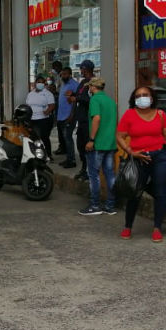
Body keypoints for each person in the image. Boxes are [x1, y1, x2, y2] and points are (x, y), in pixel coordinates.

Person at [116, 86, 166, 242]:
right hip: (139, 157)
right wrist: (131, 152)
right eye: (138, 95)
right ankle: (128, 226)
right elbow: (120, 136)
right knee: (135, 192)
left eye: (145, 95)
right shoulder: (129, 115)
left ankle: (157, 228)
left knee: (160, 192)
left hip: (161, 156)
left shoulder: (161, 115)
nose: (142, 97)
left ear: (152, 97)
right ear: (134, 99)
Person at [78, 78, 117, 216]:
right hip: (111, 143)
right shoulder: (111, 101)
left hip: (98, 143)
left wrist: (91, 139)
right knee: (110, 174)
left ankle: (95, 205)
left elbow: (97, 119)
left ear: (93, 87)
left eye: (89, 87)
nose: (89, 89)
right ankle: (110, 206)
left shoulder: (95, 100)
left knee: (94, 175)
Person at [68, 59, 95, 181]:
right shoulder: (83, 82)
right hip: (81, 119)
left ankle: (90, 171)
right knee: (81, 146)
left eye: (82, 69)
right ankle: (84, 169)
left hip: (88, 120)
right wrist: (72, 94)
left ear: (87, 69)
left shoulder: (93, 82)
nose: (81, 71)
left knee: (88, 147)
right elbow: (78, 94)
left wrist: (76, 99)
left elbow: (90, 99)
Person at [26, 76, 55, 160]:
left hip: (43, 119)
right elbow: (28, 105)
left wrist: (47, 111)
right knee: (33, 138)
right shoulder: (30, 94)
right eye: (38, 82)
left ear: (44, 84)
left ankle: (48, 155)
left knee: (44, 137)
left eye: (42, 82)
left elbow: (52, 105)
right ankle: (36, 154)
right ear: (35, 83)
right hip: (32, 119)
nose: (40, 84)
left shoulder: (48, 93)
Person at [57, 67, 79, 168]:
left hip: (69, 116)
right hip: (61, 116)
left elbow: (75, 101)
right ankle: (68, 158)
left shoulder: (74, 85)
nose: (63, 76)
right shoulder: (63, 84)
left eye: (65, 74)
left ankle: (72, 161)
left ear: (70, 74)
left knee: (68, 138)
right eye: (62, 74)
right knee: (65, 139)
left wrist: (71, 115)